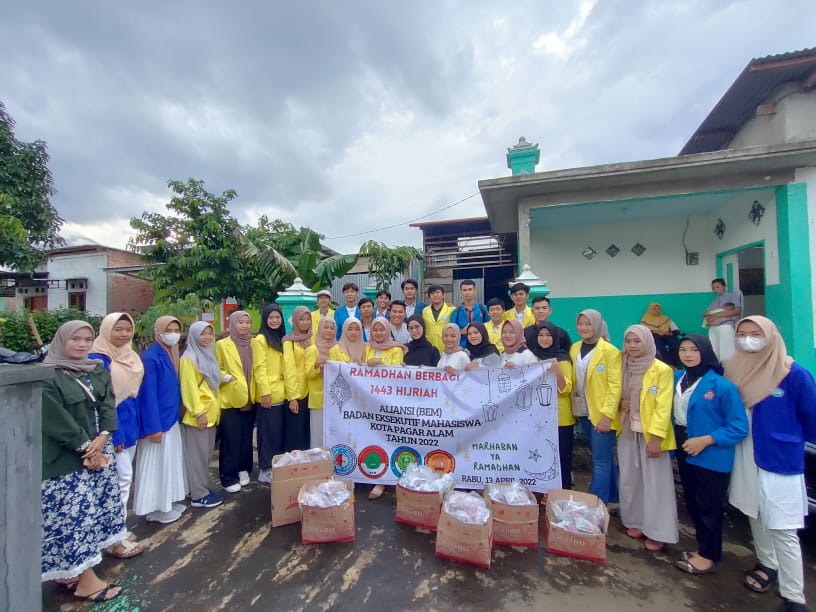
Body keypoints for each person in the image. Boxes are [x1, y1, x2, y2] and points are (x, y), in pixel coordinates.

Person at [726, 316, 816, 611]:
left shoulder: (792, 373)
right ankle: (767, 564)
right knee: (754, 511)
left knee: (784, 526)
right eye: (742, 333)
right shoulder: (733, 367)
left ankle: (794, 596)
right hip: (743, 452)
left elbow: (812, 418)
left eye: (756, 334)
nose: (748, 339)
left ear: (770, 336)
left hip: (779, 458)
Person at [40, 321, 127, 602]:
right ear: (61, 340)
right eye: (75, 339)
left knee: (98, 509)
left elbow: (107, 404)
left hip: (100, 453)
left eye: (87, 339)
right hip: (67, 461)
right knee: (75, 519)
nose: (82, 345)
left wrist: (103, 438)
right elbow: (55, 420)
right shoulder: (47, 376)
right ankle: (85, 581)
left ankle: (74, 572)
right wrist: (88, 449)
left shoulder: (95, 370)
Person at [673, 334, 748, 575]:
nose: (687, 354)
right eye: (683, 349)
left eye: (693, 350)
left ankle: (709, 555)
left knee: (709, 506)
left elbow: (738, 426)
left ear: (705, 352)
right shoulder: (677, 378)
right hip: (684, 448)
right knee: (693, 502)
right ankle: (702, 548)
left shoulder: (721, 386)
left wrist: (706, 440)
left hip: (711, 453)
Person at [88, 312, 145, 559]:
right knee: (120, 480)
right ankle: (114, 538)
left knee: (123, 479)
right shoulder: (98, 359)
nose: (123, 334)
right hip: (111, 428)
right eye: (118, 329)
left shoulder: (130, 356)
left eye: (127, 329)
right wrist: (115, 432)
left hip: (130, 423)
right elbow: (103, 402)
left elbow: (133, 393)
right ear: (106, 330)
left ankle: (116, 529)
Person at [618, 324, 679, 553]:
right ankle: (636, 521)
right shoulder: (624, 365)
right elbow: (614, 392)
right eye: (629, 342)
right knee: (630, 478)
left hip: (651, 433)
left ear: (648, 342)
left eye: (637, 341)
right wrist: (619, 405)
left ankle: (659, 531)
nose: (632, 346)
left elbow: (663, 408)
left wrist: (656, 438)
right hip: (626, 429)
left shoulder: (661, 369)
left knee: (656, 483)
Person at [133, 316, 188, 524]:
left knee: (171, 462)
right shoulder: (151, 357)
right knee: (156, 465)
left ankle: (170, 501)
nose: (173, 333)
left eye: (176, 329)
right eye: (169, 329)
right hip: (158, 422)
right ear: (158, 332)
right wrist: (153, 427)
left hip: (171, 417)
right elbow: (148, 395)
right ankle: (156, 508)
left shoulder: (172, 354)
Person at [569, 309, 621, 505]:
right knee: (604, 458)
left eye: (588, 324)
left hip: (601, 413)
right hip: (584, 412)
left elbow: (615, 385)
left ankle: (596, 502)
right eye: (581, 323)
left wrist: (607, 416)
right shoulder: (574, 349)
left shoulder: (610, 351)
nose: (584, 327)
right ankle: (614, 497)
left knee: (599, 461)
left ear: (598, 325)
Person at [180, 322, 224, 509]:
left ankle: (202, 489)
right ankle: (198, 495)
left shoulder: (207, 355)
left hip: (211, 413)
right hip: (199, 416)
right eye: (202, 334)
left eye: (209, 334)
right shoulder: (189, 358)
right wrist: (198, 413)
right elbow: (188, 388)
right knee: (197, 457)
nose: (207, 338)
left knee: (205, 455)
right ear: (194, 336)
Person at [364, 317, 405, 500]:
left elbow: (397, 373)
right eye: (375, 330)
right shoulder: (367, 348)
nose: (378, 333)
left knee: (392, 439)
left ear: (388, 330)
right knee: (375, 439)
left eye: (382, 330)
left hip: (391, 403)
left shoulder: (396, 349)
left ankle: (394, 479)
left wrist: (380, 364)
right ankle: (378, 479)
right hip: (371, 403)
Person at [215, 310, 256, 493]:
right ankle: (228, 476)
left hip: (251, 397)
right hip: (231, 398)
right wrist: (226, 378)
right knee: (231, 439)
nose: (244, 325)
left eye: (247, 322)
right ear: (232, 324)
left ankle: (244, 469)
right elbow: (214, 367)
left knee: (246, 438)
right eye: (240, 322)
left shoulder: (255, 343)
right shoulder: (222, 345)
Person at [531, 322, 574, 490]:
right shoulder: (533, 357)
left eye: (548, 335)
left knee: (561, 459)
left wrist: (556, 370)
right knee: (542, 457)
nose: (544, 339)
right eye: (541, 335)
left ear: (555, 337)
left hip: (560, 418)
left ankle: (562, 492)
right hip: (539, 419)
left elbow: (565, 389)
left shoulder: (562, 358)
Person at [252, 304, 287, 485]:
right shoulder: (260, 339)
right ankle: (265, 469)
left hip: (283, 393)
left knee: (278, 433)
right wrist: (264, 392)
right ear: (265, 320)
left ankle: (276, 466)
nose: (274, 321)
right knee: (267, 433)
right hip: (269, 395)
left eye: (277, 318)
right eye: (271, 318)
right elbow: (259, 368)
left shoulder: (282, 338)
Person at [304, 317, 338, 448]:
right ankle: (318, 463)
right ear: (320, 329)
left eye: (332, 328)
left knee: (334, 433)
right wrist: (317, 365)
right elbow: (308, 373)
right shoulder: (312, 349)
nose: (329, 331)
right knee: (318, 433)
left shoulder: (338, 348)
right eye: (326, 327)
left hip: (335, 399)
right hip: (318, 398)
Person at [283, 306, 313, 451]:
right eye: (301, 319)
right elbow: (289, 370)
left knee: (309, 433)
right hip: (298, 394)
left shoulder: (313, 339)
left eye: (308, 319)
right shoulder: (289, 341)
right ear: (295, 321)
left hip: (312, 392)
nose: (305, 323)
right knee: (296, 433)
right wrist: (292, 397)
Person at [703, 278, 742, 360]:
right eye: (713, 288)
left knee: (727, 351)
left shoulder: (731, 296)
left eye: (718, 287)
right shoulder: (715, 300)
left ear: (724, 286)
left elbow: (737, 311)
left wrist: (717, 315)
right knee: (714, 350)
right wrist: (710, 316)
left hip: (725, 326)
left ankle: (729, 368)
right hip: (713, 328)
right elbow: (706, 313)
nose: (715, 290)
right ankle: (718, 368)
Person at [640, 302, 680, 367]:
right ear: (650, 310)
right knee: (658, 344)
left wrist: (666, 333)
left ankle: (675, 365)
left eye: (659, 309)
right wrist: (656, 332)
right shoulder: (645, 320)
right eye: (654, 309)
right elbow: (644, 332)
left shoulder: (666, 319)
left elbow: (676, 331)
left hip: (666, 335)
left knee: (675, 344)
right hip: (655, 337)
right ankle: (669, 365)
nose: (657, 311)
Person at [451, 279, 489, 347]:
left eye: (470, 289)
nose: (467, 292)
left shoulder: (484, 309)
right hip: (463, 348)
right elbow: (452, 333)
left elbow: (490, 327)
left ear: (475, 291)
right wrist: (461, 332)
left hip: (481, 347)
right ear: (461, 292)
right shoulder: (456, 312)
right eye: (464, 290)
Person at [422, 284, 455, 352]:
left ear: (443, 295)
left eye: (437, 292)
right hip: (430, 347)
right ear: (429, 297)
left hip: (446, 347)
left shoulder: (452, 310)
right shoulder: (425, 311)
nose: (435, 295)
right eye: (432, 293)